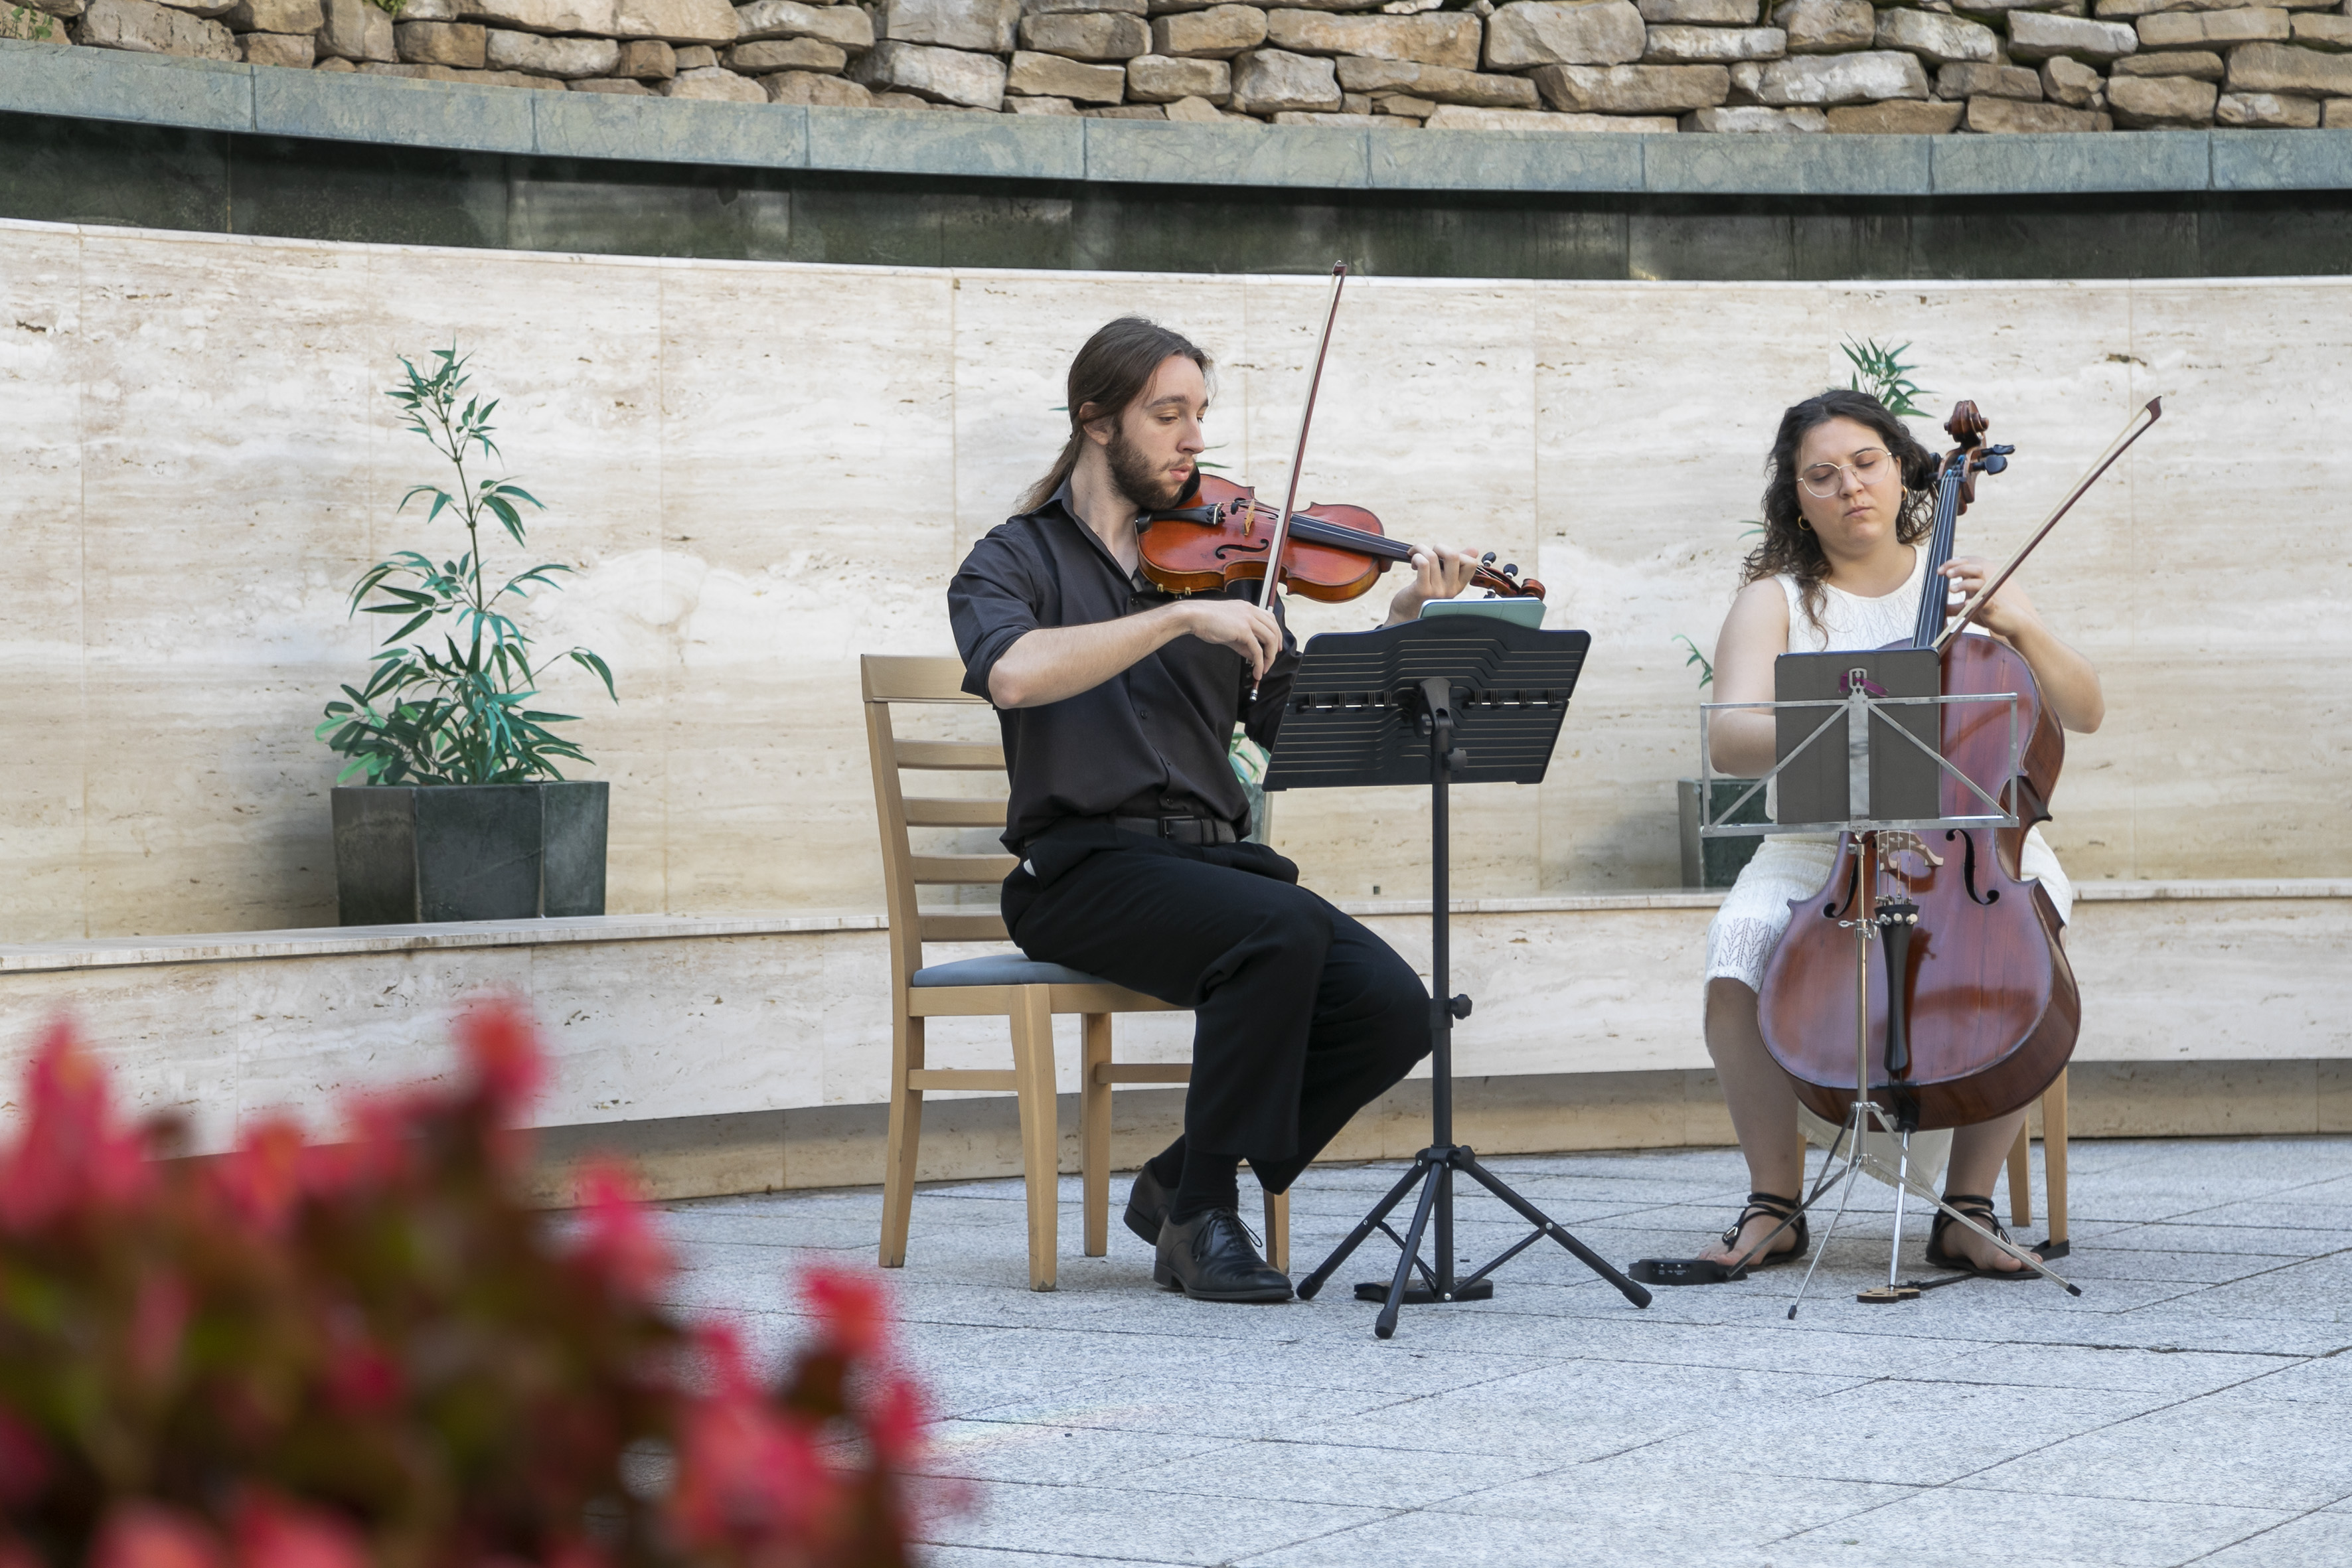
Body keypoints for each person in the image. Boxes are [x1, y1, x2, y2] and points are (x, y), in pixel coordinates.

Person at [947, 317, 1484, 1304]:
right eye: (1168, 415)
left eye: (1200, 414)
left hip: (1209, 866)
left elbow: (1299, 728)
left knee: (1394, 1008)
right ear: (1095, 421)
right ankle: (1200, 1217)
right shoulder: (1013, 559)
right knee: (1276, 932)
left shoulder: (1231, 565)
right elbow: (1013, 673)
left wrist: (1399, 626)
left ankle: (1177, 1177)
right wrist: (1177, 618)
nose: (1195, 440)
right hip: (1081, 872)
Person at [1697, 388, 2104, 1278]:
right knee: (1737, 948)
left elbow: (2084, 709)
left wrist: (2023, 623)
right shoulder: (1776, 601)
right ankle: (1773, 1203)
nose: (1849, 487)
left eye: (1865, 463)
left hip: (1971, 835)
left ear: (1905, 470)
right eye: (1821, 475)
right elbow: (1731, 740)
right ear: (1797, 499)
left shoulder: (1964, 589)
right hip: (1823, 845)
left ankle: (1969, 1209)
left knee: (2024, 935)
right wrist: (1852, 717)